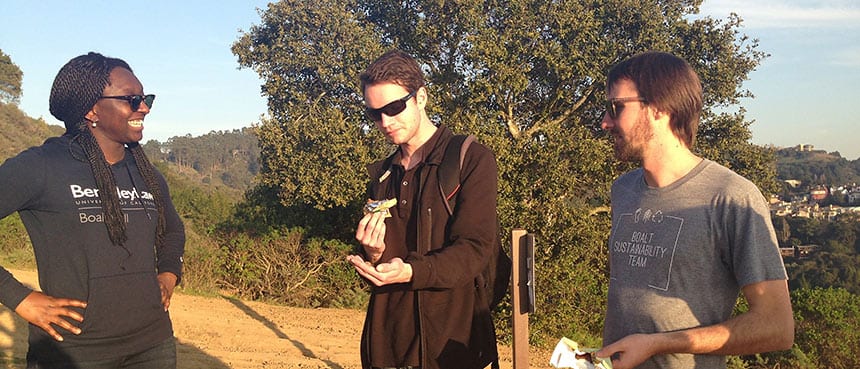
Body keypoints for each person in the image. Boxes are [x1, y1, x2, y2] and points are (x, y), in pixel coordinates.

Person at [594, 51, 794, 369]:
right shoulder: (624, 190)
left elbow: (777, 328)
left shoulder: (732, 198)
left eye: (616, 107)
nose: (604, 122)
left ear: (659, 107)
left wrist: (658, 345)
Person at [0, 52, 185, 368]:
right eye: (133, 99)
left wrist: (168, 274)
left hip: (153, 346)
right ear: (91, 109)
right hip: (73, 352)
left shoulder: (147, 174)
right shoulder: (41, 167)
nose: (145, 107)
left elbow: (172, 230)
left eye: (146, 98)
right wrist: (19, 298)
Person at [346, 49, 501, 369]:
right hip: (386, 346)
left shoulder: (469, 159)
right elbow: (376, 265)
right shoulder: (382, 175)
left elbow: (474, 250)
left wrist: (411, 271)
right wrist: (372, 254)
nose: (385, 122)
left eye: (393, 107)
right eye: (375, 114)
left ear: (421, 97)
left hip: (451, 349)